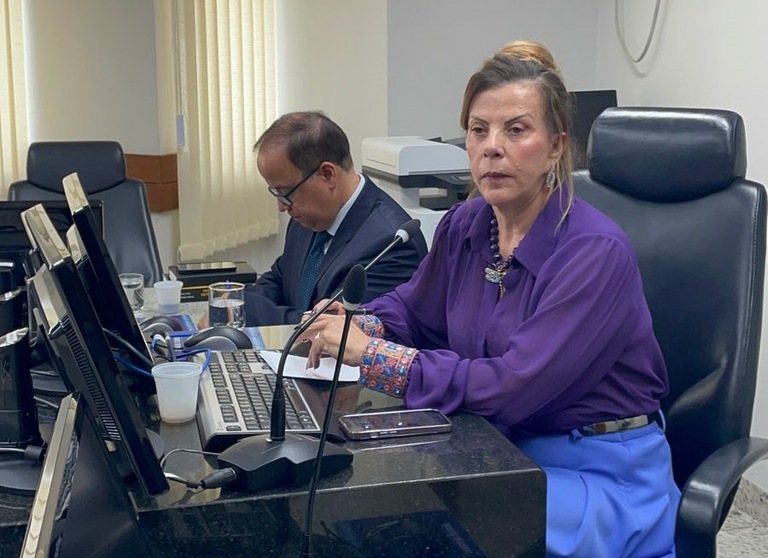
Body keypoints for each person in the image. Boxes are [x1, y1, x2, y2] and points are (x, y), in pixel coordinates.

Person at [303, 42, 680, 558]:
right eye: (479, 130)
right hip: (496, 447)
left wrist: (375, 359)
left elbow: (512, 388)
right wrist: (362, 321)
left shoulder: (594, 251)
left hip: (598, 469)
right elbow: (417, 310)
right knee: (351, 511)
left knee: (420, 528)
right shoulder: (466, 224)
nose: (491, 147)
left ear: (556, 147)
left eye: (516, 130)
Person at [199, 110, 428, 328]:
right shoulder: (308, 217)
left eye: (285, 192)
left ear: (327, 174)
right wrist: (233, 303)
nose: (281, 206)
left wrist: (246, 311)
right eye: (276, 193)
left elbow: (332, 328)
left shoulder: (392, 244)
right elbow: (281, 278)